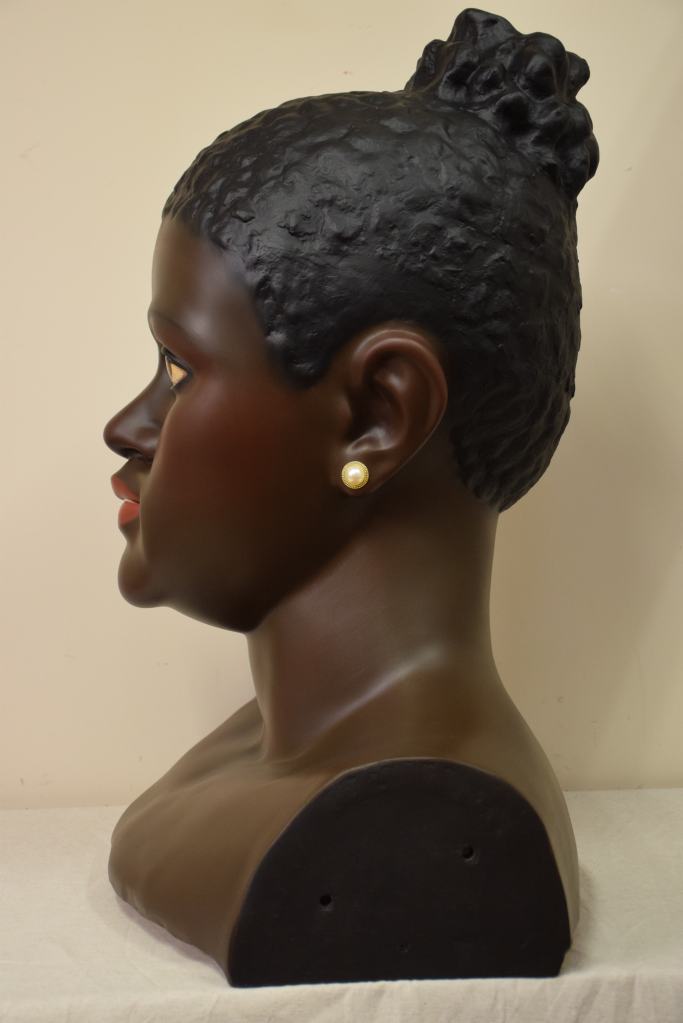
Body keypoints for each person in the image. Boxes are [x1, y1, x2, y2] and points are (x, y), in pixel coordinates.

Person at [103, 7, 598, 985]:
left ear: (378, 414)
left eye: (179, 368)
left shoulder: (411, 839)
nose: (129, 427)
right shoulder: (270, 746)